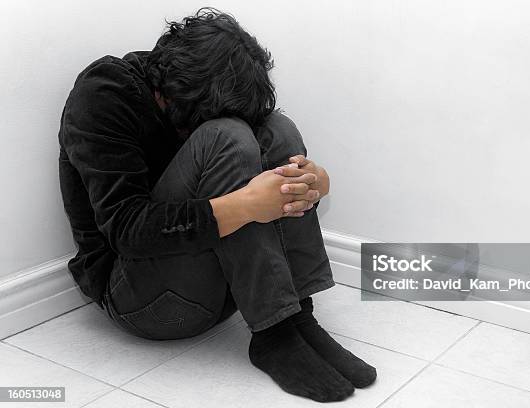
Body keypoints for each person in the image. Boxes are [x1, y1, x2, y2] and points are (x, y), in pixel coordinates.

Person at [58, 7, 376, 402]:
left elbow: (266, 150)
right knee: (226, 137)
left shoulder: (185, 84)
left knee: (278, 129)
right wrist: (246, 206)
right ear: (172, 95)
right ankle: (273, 335)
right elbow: (127, 230)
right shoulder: (103, 95)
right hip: (143, 301)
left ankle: (295, 316)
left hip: (223, 288)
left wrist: (315, 183)